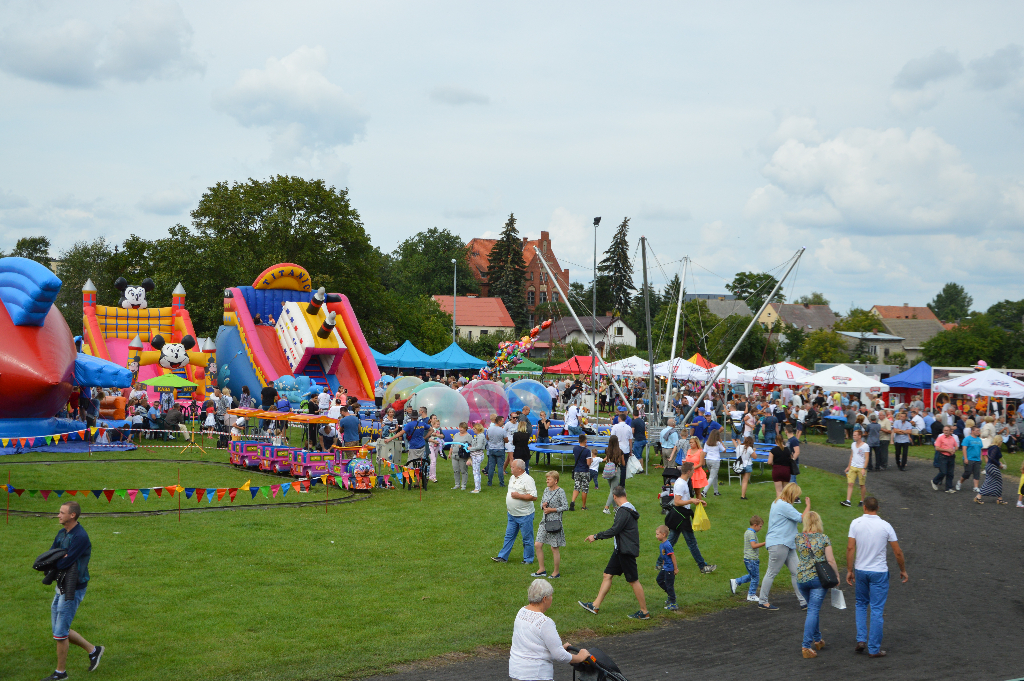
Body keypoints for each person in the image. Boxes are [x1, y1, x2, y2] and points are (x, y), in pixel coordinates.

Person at [42, 502, 103, 680]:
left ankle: (61, 673)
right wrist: (58, 558)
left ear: (72, 516)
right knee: (59, 630)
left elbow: (63, 563)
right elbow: (50, 555)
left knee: (60, 633)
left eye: (62, 513)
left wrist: (59, 558)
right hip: (61, 585)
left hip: (73, 589)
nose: (58, 515)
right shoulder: (62, 533)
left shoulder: (80, 537)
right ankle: (94, 650)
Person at [847, 497, 908, 657]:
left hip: (861, 570)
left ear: (864, 507)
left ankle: (861, 639)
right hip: (879, 572)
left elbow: (850, 548)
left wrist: (849, 570)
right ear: (878, 508)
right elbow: (897, 551)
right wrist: (903, 569)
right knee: (876, 609)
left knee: (860, 604)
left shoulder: (855, 523)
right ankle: (874, 649)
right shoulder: (885, 526)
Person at [578, 486, 650, 619]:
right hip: (620, 549)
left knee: (633, 580)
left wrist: (596, 536)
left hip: (625, 551)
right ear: (625, 494)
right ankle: (595, 605)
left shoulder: (623, 511)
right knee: (607, 575)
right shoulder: (630, 507)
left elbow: (614, 530)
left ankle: (644, 611)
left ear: (614, 497)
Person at [508, 580, 590, 681]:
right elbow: (560, 656)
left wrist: (557, 648)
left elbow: (532, 645)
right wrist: (580, 657)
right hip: (536, 675)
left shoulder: (521, 612)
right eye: (551, 596)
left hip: (517, 673)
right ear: (544, 599)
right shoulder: (545, 622)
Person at [794, 509, 839, 658]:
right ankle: (806, 646)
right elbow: (831, 560)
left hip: (801, 578)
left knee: (812, 610)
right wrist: (836, 576)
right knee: (813, 610)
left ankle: (818, 640)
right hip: (818, 579)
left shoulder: (799, 538)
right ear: (819, 522)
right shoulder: (824, 538)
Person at [758, 483, 809, 611]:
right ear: (791, 494)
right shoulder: (783, 505)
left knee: (797, 572)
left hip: (787, 543)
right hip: (779, 543)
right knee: (771, 572)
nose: (797, 498)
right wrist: (808, 506)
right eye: (796, 496)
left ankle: (804, 602)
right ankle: (762, 601)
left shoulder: (778, 503)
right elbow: (802, 518)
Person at [666, 462, 716, 573]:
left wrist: (697, 501)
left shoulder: (684, 481)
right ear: (688, 471)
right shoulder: (680, 484)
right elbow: (677, 502)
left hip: (681, 515)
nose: (694, 472)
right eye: (693, 470)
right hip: (681, 515)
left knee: (671, 541)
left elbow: (685, 499)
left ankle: (660, 563)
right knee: (692, 543)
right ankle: (703, 567)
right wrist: (692, 500)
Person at [492, 459, 537, 564]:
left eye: (512, 467)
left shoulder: (528, 480)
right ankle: (502, 557)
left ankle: (528, 559)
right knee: (509, 536)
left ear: (519, 469)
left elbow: (534, 497)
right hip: (512, 514)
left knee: (527, 538)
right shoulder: (512, 477)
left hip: (524, 515)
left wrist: (519, 496)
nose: (510, 468)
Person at [532, 470, 568, 578]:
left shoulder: (560, 491)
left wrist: (552, 510)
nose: (547, 480)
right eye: (547, 478)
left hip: (555, 523)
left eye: (549, 479)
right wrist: (542, 505)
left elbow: (565, 506)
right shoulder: (546, 490)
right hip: (544, 521)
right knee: (538, 544)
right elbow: (541, 504)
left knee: (554, 547)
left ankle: (556, 572)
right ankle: (541, 569)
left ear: (555, 481)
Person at [730, 515, 764, 602]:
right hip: (752, 559)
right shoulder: (751, 533)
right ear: (755, 525)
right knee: (755, 577)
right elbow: (753, 546)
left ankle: (736, 581)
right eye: (760, 526)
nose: (761, 528)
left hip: (748, 559)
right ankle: (751, 595)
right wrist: (765, 543)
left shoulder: (748, 532)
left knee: (751, 576)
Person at [975, 435, 1007, 504]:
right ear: (999, 441)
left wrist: (998, 462)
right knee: (997, 481)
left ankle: (979, 496)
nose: (1002, 442)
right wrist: (999, 464)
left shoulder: (991, 447)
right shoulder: (996, 448)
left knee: (989, 481)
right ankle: (998, 498)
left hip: (989, 466)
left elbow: (992, 458)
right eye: (1001, 441)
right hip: (993, 467)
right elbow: (992, 458)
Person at [841, 429, 869, 507]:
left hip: (861, 468)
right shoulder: (853, 444)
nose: (853, 436)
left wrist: (864, 468)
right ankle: (848, 501)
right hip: (853, 466)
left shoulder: (865, 446)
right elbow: (852, 455)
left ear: (859, 436)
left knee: (862, 485)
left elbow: (867, 458)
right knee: (850, 483)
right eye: (853, 435)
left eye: (855, 435)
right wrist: (849, 466)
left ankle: (862, 500)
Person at [654, 525, 679, 610]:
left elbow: (673, 557)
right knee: (659, 580)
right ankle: (670, 595)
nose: (656, 536)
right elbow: (665, 557)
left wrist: (675, 569)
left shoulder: (667, 545)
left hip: (670, 569)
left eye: (657, 534)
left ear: (663, 534)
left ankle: (673, 603)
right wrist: (663, 565)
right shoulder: (662, 545)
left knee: (669, 585)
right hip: (665, 567)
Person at [601, 435, 627, 514]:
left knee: (612, 489)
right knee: (613, 490)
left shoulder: (607, 450)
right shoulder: (620, 451)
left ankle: (615, 507)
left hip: (608, 471)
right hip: (616, 470)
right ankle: (606, 507)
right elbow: (623, 463)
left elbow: (606, 458)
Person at [931, 424, 958, 493]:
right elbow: (937, 448)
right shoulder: (940, 438)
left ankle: (948, 488)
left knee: (950, 473)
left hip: (951, 457)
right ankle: (934, 481)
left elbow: (956, 446)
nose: (946, 432)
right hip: (943, 456)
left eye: (947, 430)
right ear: (943, 431)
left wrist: (954, 450)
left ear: (950, 431)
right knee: (943, 472)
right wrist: (947, 450)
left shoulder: (952, 438)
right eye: (945, 430)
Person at [569, 434, 593, 512]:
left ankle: (572, 501)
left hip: (577, 470)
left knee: (577, 487)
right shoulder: (587, 451)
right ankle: (583, 506)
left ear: (579, 441)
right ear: (585, 441)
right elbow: (588, 463)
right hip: (585, 471)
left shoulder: (575, 448)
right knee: (584, 489)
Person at [957, 425, 984, 493]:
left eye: (979, 430)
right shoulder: (967, 439)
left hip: (977, 459)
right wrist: (965, 458)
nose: (978, 432)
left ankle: (975, 487)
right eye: (977, 430)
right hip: (969, 459)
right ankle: (960, 482)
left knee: (977, 473)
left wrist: (981, 457)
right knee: (967, 473)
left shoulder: (979, 439)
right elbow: (964, 448)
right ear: (972, 431)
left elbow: (980, 449)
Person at [485, 415, 508, 487]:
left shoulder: (489, 429)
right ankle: (501, 483)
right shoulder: (502, 430)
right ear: (499, 421)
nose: (503, 423)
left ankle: (489, 482)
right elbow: (506, 440)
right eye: (502, 421)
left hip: (491, 449)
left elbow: (487, 438)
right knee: (500, 467)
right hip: (500, 449)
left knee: (491, 466)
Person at [450, 422, 473, 491]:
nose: (460, 429)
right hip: (454, 455)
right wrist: (449, 453)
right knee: (456, 470)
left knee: (463, 470)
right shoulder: (456, 435)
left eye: (462, 428)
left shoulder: (469, 436)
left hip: (463, 455)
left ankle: (463, 485)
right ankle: (457, 484)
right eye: (460, 427)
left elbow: (470, 446)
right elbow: (452, 444)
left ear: (466, 428)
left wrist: (463, 446)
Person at [703, 429, 725, 497]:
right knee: (712, 477)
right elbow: (724, 450)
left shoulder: (707, 442)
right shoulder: (718, 443)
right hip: (715, 460)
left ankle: (716, 491)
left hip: (708, 459)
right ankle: (704, 491)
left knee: (715, 476)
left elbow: (704, 451)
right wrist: (721, 442)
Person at [467, 422, 487, 493]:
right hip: (475, 455)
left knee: (476, 472)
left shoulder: (480, 436)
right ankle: (478, 487)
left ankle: (477, 488)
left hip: (477, 455)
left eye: (475, 428)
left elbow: (479, 447)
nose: (473, 429)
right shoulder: (479, 436)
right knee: (476, 471)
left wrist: (470, 448)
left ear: (478, 429)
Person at [734, 435, 756, 500]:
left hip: (739, 465)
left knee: (743, 480)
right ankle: (743, 495)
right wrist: (754, 450)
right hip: (747, 465)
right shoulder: (749, 448)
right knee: (745, 481)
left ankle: (743, 494)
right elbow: (755, 456)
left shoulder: (738, 447)